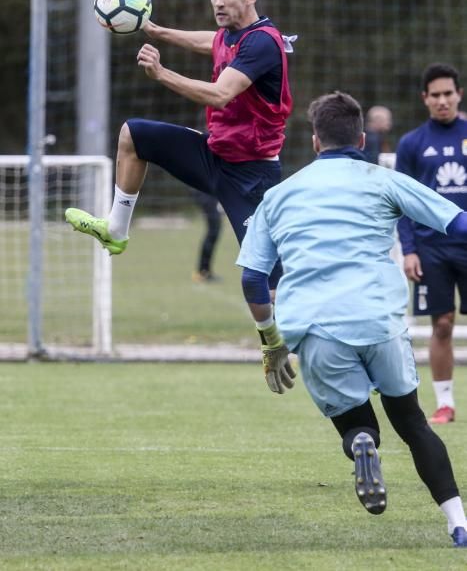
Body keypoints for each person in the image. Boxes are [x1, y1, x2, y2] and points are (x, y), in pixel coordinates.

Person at [236, 91, 467, 547]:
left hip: (314, 329)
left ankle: (362, 443)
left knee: (358, 424)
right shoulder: (382, 179)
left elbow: (252, 278)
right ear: (362, 139)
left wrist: (271, 340)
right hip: (377, 319)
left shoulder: (279, 194)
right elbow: (458, 224)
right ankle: (458, 522)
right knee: (414, 425)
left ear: (316, 141)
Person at [65, 0, 293, 290]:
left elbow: (219, 95)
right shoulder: (231, 36)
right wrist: (158, 32)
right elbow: (209, 41)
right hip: (212, 155)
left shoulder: (260, 42)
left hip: (251, 175)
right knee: (134, 135)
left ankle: (284, 339)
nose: (218, 1)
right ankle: (116, 229)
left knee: (266, 281)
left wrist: (161, 73)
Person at [396, 62, 467, 425]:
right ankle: (445, 404)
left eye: (448, 94)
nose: (443, 101)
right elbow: (403, 202)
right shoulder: (411, 144)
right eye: (435, 95)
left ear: (459, 94)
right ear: (425, 99)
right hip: (431, 249)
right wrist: (408, 249)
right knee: (442, 324)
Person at [192, 190, 223, 283]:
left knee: (214, 232)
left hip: (208, 193)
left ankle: (204, 270)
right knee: (213, 231)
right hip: (205, 192)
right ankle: (203, 271)